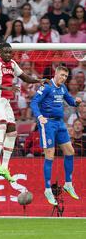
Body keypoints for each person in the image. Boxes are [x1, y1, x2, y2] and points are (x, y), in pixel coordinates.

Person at [0, 42, 49, 182]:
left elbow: (25, 77)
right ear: (0, 52)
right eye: (6, 52)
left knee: (12, 132)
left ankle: (5, 167)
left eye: (10, 52)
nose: (8, 54)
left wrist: (39, 80)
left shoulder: (13, 64)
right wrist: (6, 88)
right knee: (2, 125)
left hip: (5, 101)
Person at [30, 65, 82, 205]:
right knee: (50, 155)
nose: (63, 78)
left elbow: (70, 101)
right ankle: (47, 189)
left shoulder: (63, 88)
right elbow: (34, 102)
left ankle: (68, 184)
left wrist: (76, 102)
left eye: (66, 76)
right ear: (56, 74)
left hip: (60, 124)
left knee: (70, 152)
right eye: (62, 75)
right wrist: (39, 116)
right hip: (47, 124)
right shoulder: (47, 86)